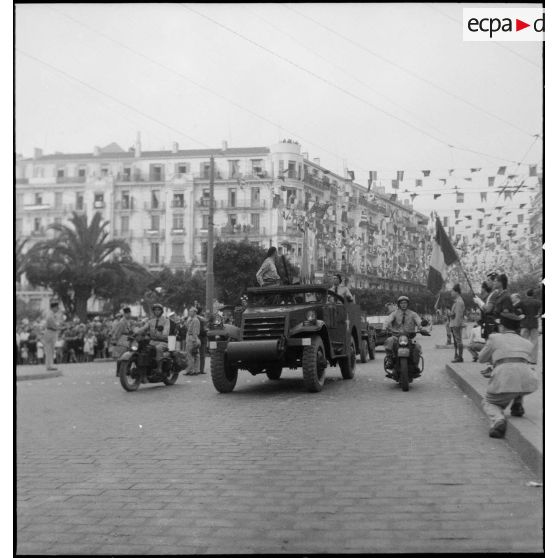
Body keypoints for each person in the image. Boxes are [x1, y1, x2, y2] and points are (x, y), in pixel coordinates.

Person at [478, 312, 539, 438]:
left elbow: (481, 358)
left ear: (502, 327)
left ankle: (498, 420)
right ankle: (517, 403)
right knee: (518, 378)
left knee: (489, 402)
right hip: (528, 382)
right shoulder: (527, 343)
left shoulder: (494, 338)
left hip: (505, 379)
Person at [383, 295, 424, 376]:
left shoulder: (413, 314)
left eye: (405, 303)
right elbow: (387, 320)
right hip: (396, 336)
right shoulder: (394, 313)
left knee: (417, 346)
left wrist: (421, 327)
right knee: (389, 341)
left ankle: (415, 365)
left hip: (409, 337)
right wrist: (384, 328)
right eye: (402, 303)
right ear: (399, 304)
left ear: (407, 304)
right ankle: (390, 360)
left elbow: (419, 321)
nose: (403, 304)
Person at [135, 303, 171, 381]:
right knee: (143, 349)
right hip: (152, 341)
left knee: (158, 348)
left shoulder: (166, 321)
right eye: (155, 310)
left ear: (161, 311)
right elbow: (144, 328)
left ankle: (159, 368)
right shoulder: (151, 321)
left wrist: (160, 333)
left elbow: (166, 332)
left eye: (158, 310)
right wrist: (136, 332)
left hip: (163, 342)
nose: (157, 311)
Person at [474, 272, 500, 339]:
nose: (486, 282)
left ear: (494, 281)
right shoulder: (492, 293)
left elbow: (488, 309)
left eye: (488, 280)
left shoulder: (495, 293)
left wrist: (479, 302)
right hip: (488, 323)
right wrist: (479, 303)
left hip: (493, 324)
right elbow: (485, 309)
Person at [520, 289, 541, 365]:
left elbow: (514, 307)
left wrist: (521, 314)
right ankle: (533, 360)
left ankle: (523, 358)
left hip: (525, 323)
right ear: (533, 294)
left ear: (526, 294)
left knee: (523, 341)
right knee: (534, 342)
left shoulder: (522, 302)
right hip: (534, 323)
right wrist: (539, 314)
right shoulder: (537, 302)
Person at [42, 300, 62, 371]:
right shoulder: (50, 314)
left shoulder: (52, 314)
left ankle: (50, 365)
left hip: (52, 332)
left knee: (51, 350)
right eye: (57, 307)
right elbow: (51, 323)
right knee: (49, 350)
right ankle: (49, 366)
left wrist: (57, 327)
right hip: (50, 331)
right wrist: (58, 327)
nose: (57, 309)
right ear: (54, 307)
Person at [449, 284, 466, 363]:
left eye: (452, 291)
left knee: (458, 341)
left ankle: (460, 357)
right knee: (457, 341)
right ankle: (458, 356)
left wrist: (456, 325)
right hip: (455, 323)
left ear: (456, 292)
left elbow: (458, 316)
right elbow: (455, 314)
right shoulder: (458, 301)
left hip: (456, 324)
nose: (451, 293)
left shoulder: (459, 302)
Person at [183, 307, 201, 376]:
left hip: (193, 337)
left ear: (195, 312)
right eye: (189, 311)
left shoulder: (195, 320)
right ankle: (195, 370)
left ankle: (191, 370)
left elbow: (195, 331)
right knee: (194, 354)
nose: (189, 313)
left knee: (190, 354)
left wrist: (194, 340)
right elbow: (187, 327)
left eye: (191, 311)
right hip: (190, 337)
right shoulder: (191, 319)